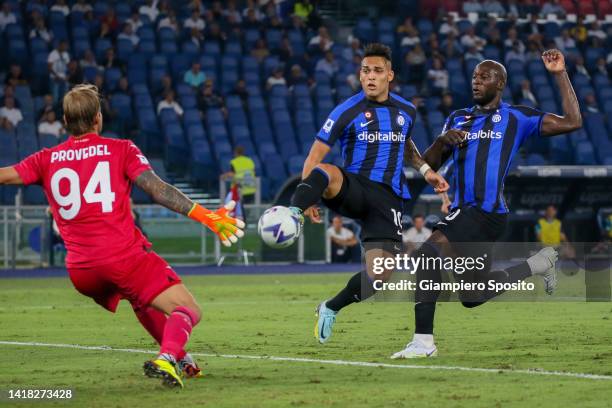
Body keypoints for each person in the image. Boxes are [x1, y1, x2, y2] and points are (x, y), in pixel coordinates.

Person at [0, 84, 244, 388]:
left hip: (82, 271)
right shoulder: (121, 149)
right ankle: (167, 358)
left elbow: (5, 175)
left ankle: (180, 357)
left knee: (141, 300)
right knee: (189, 309)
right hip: (122, 258)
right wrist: (207, 216)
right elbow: (159, 190)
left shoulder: (45, 159)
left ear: (65, 120)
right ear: (98, 119)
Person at [391, 49, 582, 359]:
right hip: (467, 213)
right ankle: (538, 263)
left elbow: (573, 121)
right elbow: (428, 166)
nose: (476, 81)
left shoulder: (516, 117)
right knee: (472, 295)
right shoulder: (457, 118)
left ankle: (423, 343)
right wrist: (442, 141)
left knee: (428, 255)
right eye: (474, 76)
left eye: (485, 76)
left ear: (501, 83)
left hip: (485, 210)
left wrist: (559, 74)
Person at [287, 43, 449, 344]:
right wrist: (306, 197)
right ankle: (292, 214)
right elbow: (314, 156)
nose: (370, 77)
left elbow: (407, 148)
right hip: (355, 188)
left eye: (376, 71)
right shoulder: (346, 110)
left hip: (388, 199)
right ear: (360, 76)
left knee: (379, 276)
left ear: (390, 75)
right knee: (327, 169)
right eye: (365, 71)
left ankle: (330, 307)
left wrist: (427, 171)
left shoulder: (406, 110)